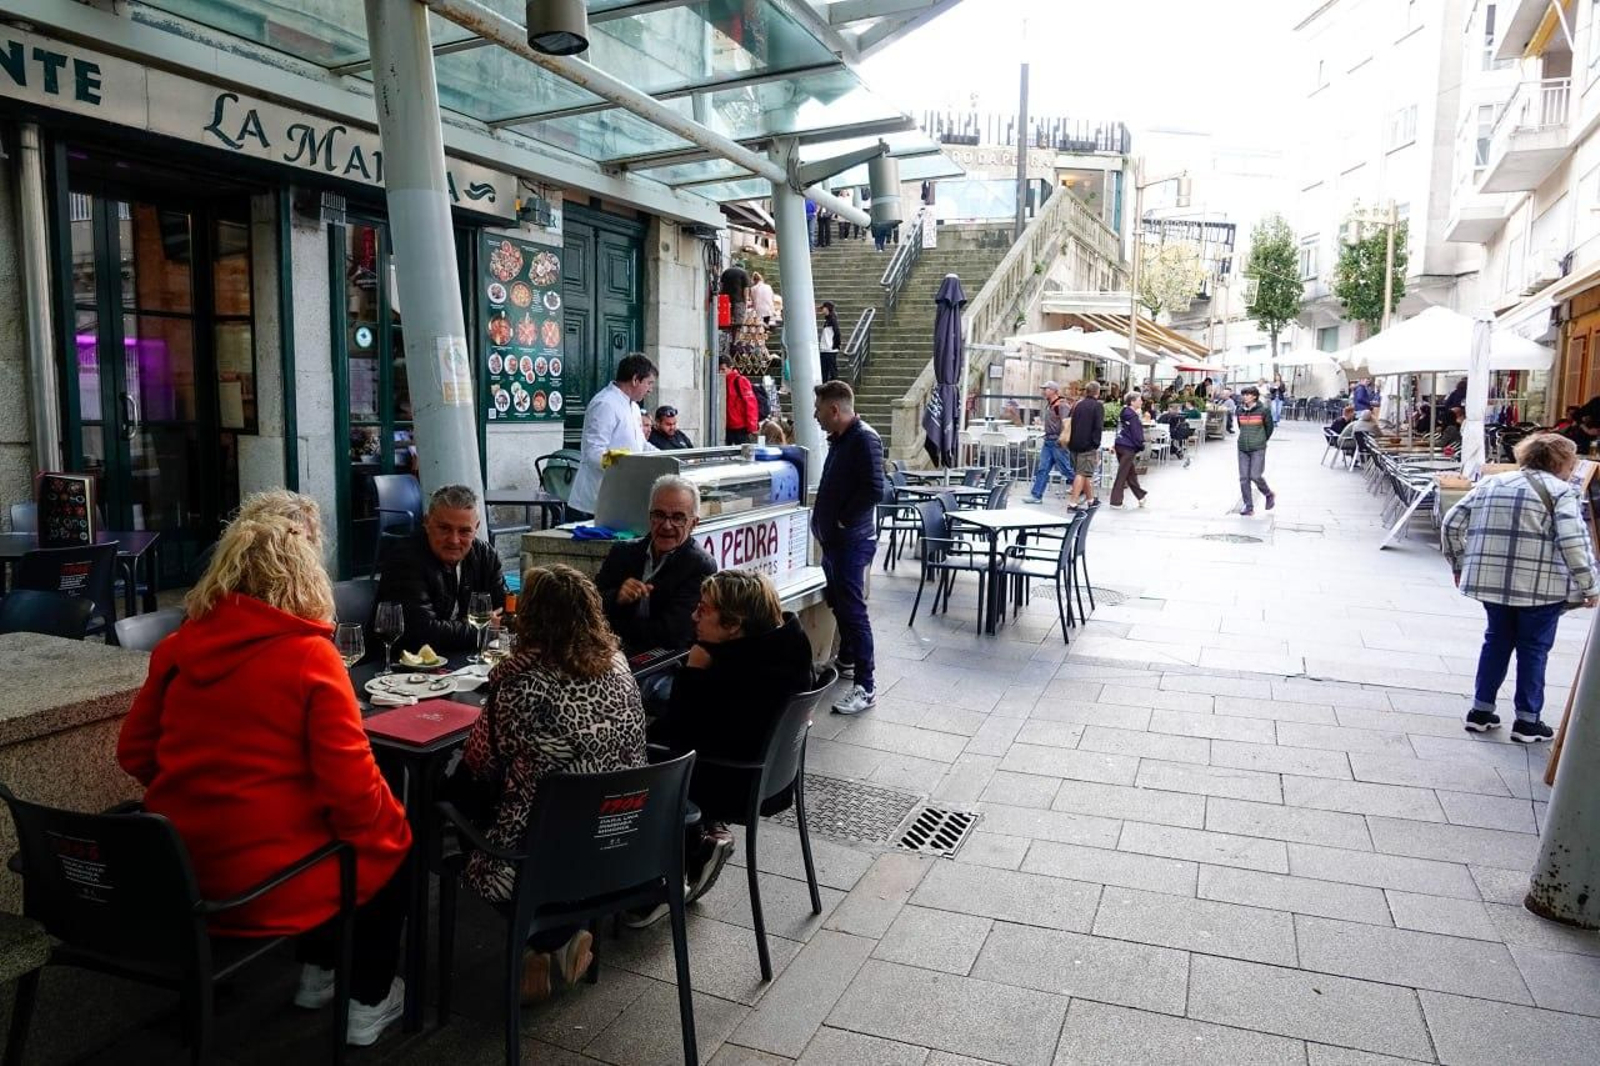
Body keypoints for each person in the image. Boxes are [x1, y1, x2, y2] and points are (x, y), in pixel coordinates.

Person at [118, 498, 412, 1046]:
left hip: (176, 867)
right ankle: (366, 1002)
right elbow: (351, 790)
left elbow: (133, 753)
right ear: (304, 575)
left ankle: (319, 973)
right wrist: (390, 828)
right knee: (390, 844)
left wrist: (203, 782)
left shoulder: (178, 648)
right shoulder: (309, 656)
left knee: (346, 831)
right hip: (261, 884)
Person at [456, 565, 646, 992]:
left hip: (544, 850)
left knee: (456, 794)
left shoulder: (520, 682)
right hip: (620, 835)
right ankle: (557, 938)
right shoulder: (617, 663)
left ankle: (547, 937)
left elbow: (480, 763)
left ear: (532, 617)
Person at [649, 570, 815, 905]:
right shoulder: (788, 645)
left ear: (734, 625)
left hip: (734, 781)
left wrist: (693, 673)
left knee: (633, 757)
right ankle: (702, 840)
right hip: (774, 777)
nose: (695, 615)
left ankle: (654, 887)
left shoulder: (735, 672)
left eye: (705, 610)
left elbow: (680, 734)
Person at [1443, 433, 1600, 743]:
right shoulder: (1561, 492)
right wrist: (1590, 585)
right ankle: (1528, 722)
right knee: (1533, 649)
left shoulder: (1493, 483)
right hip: (1540, 589)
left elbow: (1451, 522)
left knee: (1496, 641)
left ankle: (1480, 711)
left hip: (1494, 585)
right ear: (1561, 462)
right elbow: (1573, 543)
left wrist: (1459, 564)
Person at [812, 380, 884, 716]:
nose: (815, 415)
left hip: (851, 542)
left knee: (853, 612)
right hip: (836, 541)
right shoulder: (842, 439)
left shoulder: (864, 438)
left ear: (835, 409)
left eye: (819, 409)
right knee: (839, 603)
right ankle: (848, 659)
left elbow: (874, 489)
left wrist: (843, 520)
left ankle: (866, 687)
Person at [376, 484, 508, 655]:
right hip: (403, 665)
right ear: (426, 522)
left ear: (476, 528)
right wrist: (483, 628)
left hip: (464, 659)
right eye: (444, 528)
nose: (454, 540)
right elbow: (423, 633)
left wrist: (485, 626)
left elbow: (507, 612)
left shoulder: (486, 555)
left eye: (464, 531)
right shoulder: (405, 559)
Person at [594, 475, 716, 655]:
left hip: (665, 662)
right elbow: (589, 606)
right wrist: (617, 596)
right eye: (659, 515)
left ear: (693, 523)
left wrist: (616, 626)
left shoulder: (699, 566)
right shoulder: (622, 553)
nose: (667, 525)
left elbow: (673, 635)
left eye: (678, 518)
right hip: (610, 654)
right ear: (650, 517)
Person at [569, 353, 657, 520]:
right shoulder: (605, 403)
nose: (650, 389)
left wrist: (667, 457)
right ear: (635, 379)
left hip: (621, 497)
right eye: (649, 383)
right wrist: (624, 461)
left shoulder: (634, 407)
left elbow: (641, 445)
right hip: (595, 501)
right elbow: (593, 453)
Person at [1024, 380, 1075, 504]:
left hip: (1057, 441)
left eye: (1046, 389)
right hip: (1048, 441)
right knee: (1043, 468)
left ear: (1054, 391)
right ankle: (1036, 495)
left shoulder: (1061, 405)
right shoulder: (1050, 404)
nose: (1044, 391)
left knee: (1065, 469)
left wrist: (1062, 439)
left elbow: (1067, 423)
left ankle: (1083, 486)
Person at [1065, 381, 1106, 510]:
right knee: (1082, 473)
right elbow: (1098, 427)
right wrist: (1096, 444)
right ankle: (1073, 503)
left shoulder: (1078, 405)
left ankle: (1090, 500)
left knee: (1086, 473)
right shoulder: (1097, 406)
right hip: (1087, 445)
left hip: (1074, 443)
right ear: (1097, 392)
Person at [1235, 385, 1276, 516]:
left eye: (1248, 394)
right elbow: (1240, 426)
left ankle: (1268, 494)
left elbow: (1269, 429)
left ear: (1254, 396)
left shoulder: (1263, 410)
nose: (1245, 397)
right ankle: (1248, 506)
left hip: (1258, 447)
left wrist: (1261, 440)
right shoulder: (1240, 410)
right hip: (1242, 447)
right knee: (1243, 478)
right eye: (1244, 394)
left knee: (1255, 475)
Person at [1110, 391, 1149, 508]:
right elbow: (1137, 433)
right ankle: (1116, 501)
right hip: (1128, 447)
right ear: (1132, 401)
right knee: (1122, 474)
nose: (1141, 401)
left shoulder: (1123, 413)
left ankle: (1140, 496)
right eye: (1139, 399)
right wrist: (1141, 445)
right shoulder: (1132, 416)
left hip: (1120, 444)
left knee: (1130, 472)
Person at [719, 354, 761, 445]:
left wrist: (752, 427)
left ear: (730, 368)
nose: (721, 373)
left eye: (723, 369)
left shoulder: (740, 381)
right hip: (726, 427)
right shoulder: (721, 382)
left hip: (740, 427)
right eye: (719, 370)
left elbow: (751, 405)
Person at [720, 260, 750, 344]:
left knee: (725, 323)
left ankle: (725, 340)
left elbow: (721, 287)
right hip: (738, 301)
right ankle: (734, 342)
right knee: (738, 324)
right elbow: (745, 290)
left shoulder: (726, 272)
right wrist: (746, 302)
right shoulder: (744, 273)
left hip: (725, 301)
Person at [818, 301, 842, 384]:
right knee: (824, 371)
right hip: (825, 349)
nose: (822, 310)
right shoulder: (828, 320)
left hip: (829, 350)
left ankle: (834, 387)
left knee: (831, 370)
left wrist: (836, 345)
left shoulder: (832, 319)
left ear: (827, 308)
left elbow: (837, 333)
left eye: (823, 308)